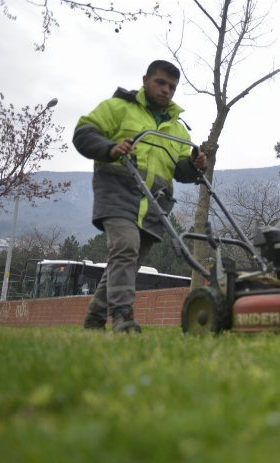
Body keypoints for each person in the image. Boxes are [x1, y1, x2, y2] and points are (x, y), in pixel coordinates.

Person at [73, 60, 207, 333]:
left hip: (155, 203)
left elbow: (181, 171)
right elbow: (83, 133)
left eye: (172, 86)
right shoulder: (118, 108)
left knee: (128, 262)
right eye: (160, 82)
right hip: (118, 191)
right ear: (145, 80)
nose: (166, 90)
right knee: (125, 248)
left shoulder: (178, 129)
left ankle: (94, 319)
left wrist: (194, 165)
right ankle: (123, 316)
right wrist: (110, 148)